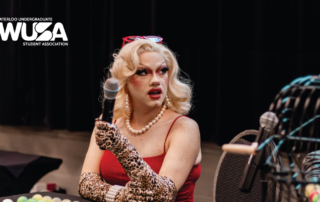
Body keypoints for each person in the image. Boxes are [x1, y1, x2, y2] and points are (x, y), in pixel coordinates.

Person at [79, 38, 201, 202]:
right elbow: (86, 184)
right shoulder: (109, 122)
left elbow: (160, 195)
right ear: (126, 80)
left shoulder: (185, 128)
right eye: (143, 72)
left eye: (162, 70)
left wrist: (120, 146)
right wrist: (123, 197)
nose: (156, 80)